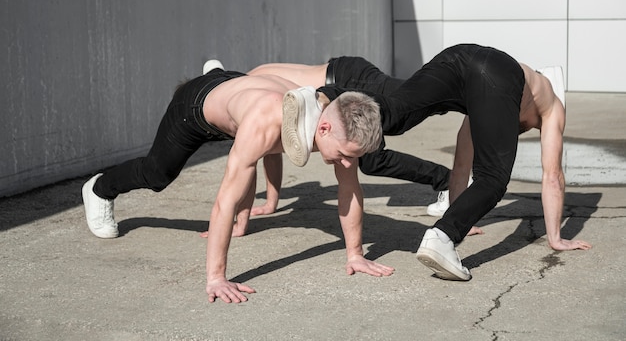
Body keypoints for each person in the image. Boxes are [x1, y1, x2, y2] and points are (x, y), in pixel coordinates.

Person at [81, 62, 394, 304]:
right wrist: (216, 278)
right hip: (196, 110)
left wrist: (355, 254)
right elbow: (225, 201)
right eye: (342, 156)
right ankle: (99, 188)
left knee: (256, 148)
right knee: (157, 175)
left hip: (236, 86)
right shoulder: (266, 122)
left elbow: (347, 188)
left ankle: (215, 73)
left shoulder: (332, 118)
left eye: (351, 157)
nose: (346, 164)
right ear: (323, 128)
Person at [302, 44, 592, 281]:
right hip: (496, 71)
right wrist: (556, 238)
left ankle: (322, 100)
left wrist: (460, 215)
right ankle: (441, 239)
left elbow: (462, 161)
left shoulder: (489, 102)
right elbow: (552, 175)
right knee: (493, 177)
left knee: (396, 113)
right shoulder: (553, 106)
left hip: (460, 57)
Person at [246, 57, 452, 221]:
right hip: (342, 77)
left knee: (417, 101)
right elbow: (271, 148)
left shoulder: (252, 90)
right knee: (374, 157)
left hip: (347, 81)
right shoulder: (253, 78)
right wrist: (271, 203)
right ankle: (447, 179)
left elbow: (258, 152)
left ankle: (451, 180)